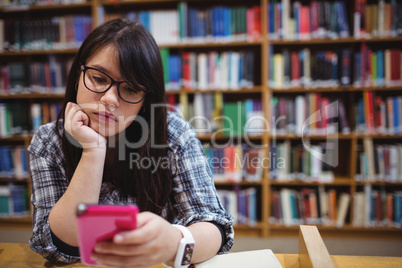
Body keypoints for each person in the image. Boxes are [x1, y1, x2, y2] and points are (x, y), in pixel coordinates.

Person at [28, 18, 234, 267]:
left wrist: (174, 242)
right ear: (77, 76)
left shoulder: (173, 135)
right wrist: (93, 151)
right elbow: (59, 247)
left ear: (145, 99)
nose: (110, 99)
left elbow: (215, 227)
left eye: (131, 89)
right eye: (99, 78)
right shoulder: (49, 141)